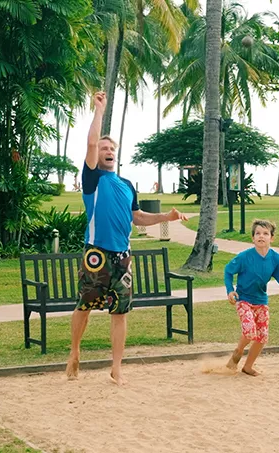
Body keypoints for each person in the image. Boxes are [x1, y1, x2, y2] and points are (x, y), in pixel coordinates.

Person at [65, 91, 188, 385]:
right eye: (104, 147)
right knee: (85, 306)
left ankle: (117, 367)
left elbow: (138, 217)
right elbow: (91, 143)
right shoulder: (93, 180)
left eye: (111, 148)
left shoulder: (127, 184)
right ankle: (74, 351)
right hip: (96, 255)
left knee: (120, 312)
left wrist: (166, 217)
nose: (107, 150)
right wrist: (99, 110)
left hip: (123, 257)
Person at [224, 219, 279, 376]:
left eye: (265, 233)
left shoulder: (276, 259)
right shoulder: (244, 257)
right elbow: (228, 271)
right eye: (257, 233)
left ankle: (248, 367)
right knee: (249, 331)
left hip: (261, 301)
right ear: (253, 238)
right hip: (243, 299)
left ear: (272, 238)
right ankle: (238, 351)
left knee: (262, 337)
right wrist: (230, 290)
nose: (261, 236)